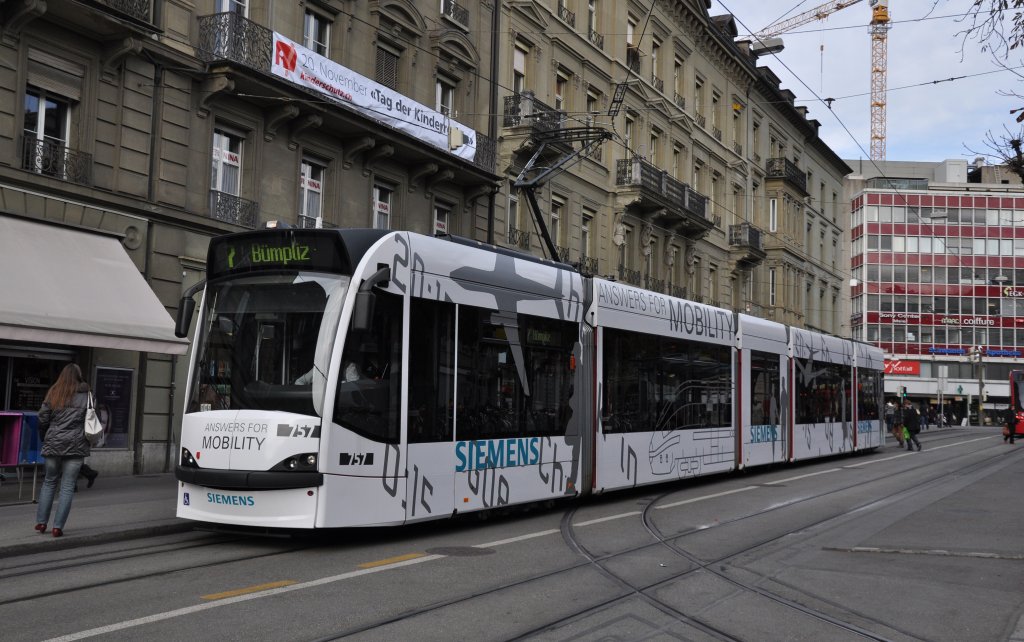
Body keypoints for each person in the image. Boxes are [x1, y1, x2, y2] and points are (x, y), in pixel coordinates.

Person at [34, 363, 92, 537]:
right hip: (76, 445)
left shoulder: (54, 391)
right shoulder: (87, 395)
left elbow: (42, 418)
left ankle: (41, 523)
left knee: (49, 482)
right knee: (67, 486)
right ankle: (57, 527)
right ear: (79, 376)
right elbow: (90, 419)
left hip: (54, 443)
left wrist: (46, 436)